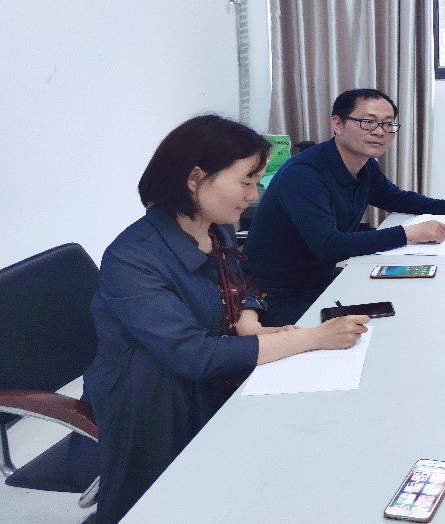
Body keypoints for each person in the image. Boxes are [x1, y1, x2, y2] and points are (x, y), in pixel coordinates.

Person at [84, 115, 369, 523]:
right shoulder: (132, 258)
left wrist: (248, 319)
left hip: (216, 374)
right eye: (246, 182)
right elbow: (193, 354)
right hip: (154, 401)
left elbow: (239, 278)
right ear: (195, 178)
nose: (253, 197)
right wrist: (309, 338)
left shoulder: (215, 228)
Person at [245, 89, 445, 325]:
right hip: (275, 295)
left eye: (388, 124)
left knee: (412, 303)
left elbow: (396, 198)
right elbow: (329, 246)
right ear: (337, 124)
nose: (380, 132)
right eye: (368, 122)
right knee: (376, 330)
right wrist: (408, 234)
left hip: (319, 279)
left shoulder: (365, 165)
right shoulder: (304, 175)